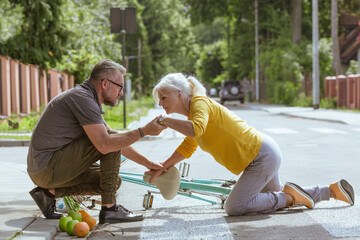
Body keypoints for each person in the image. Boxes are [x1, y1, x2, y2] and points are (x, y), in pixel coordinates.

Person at [148, 72, 355, 216]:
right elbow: (188, 145)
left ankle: (291, 198)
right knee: (275, 195)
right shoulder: (195, 112)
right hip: (262, 154)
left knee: (235, 206)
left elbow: (196, 129)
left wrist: (164, 121)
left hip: (260, 157)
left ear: (180, 94)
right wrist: (163, 166)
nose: (161, 103)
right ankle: (331, 191)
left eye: (164, 97)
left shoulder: (200, 103)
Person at [27, 59, 166, 223]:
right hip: (47, 167)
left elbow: (112, 138)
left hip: (46, 170)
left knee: (112, 182)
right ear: (105, 83)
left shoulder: (85, 98)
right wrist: (144, 131)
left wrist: (148, 163)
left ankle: (48, 193)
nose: (121, 92)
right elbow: (107, 143)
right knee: (110, 143)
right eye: (120, 87)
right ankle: (109, 209)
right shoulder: (82, 98)